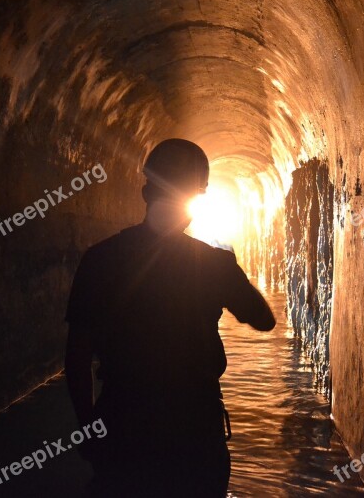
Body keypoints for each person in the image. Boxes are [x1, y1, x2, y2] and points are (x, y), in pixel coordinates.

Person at [64, 139, 276, 497]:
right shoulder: (211, 263)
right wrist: (228, 269)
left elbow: (77, 356)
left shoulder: (100, 259)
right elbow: (263, 319)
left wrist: (87, 428)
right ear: (195, 198)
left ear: (146, 191)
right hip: (194, 428)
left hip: (123, 424)